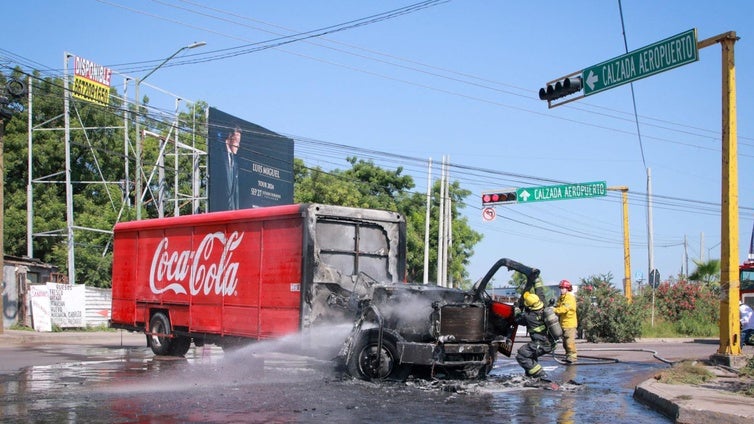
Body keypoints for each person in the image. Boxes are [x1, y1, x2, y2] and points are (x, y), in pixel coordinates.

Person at [515, 292, 556, 380]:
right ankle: (530, 375)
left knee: (521, 355)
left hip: (541, 343)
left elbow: (518, 319)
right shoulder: (544, 310)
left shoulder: (529, 316)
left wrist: (516, 309)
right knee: (530, 354)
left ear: (529, 306)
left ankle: (540, 374)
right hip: (550, 342)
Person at [554, 279, 578, 363]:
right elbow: (557, 306)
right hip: (563, 324)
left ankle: (573, 358)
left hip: (569, 324)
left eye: (563, 288)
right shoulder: (561, 298)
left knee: (569, 342)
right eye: (560, 288)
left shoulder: (569, 298)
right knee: (565, 343)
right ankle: (568, 356)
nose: (561, 289)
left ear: (567, 288)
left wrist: (553, 310)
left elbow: (564, 309)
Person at [220, 125, 241, 210]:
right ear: (230, 137)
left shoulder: (235, 161)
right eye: (237, 141)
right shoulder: (219, 154)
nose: (238, 146)